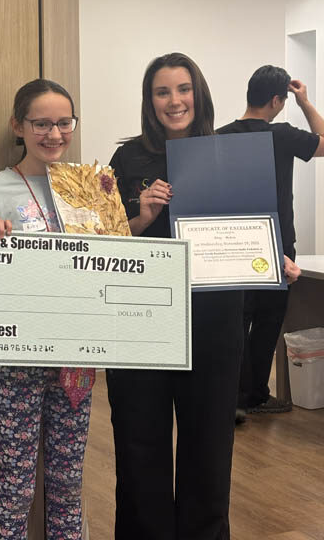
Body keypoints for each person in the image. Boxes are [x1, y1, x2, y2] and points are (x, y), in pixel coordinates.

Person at [107, 53, 245, 540]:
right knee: (139, 442)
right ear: (150, 101)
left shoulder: (230, 154)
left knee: (209, 445)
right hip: (140, 317)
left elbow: (253, 225)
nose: (174, 101)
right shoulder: (126, 160)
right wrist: (141, 216)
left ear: (198, 93)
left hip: (213, 320)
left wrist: (277, 258)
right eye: (162, 92)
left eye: (183, 89)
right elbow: (103, 243)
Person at [0, 79, 93, 540]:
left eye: (64, 123)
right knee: (17, 486)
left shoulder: (87, 189)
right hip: (15, 359)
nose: (54, 134)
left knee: (68, 483)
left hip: (76, 357)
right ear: (18, 126)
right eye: (41, 124)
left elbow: (109, 258)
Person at [218, 66, 324, 422]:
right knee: (266, 323)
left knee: (237, 320)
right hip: (276, 244)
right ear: (277, 100)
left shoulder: (219, 136)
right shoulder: (281, 134)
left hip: (230, 243)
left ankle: (233, 396)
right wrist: (305, 101)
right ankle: (255, 396)